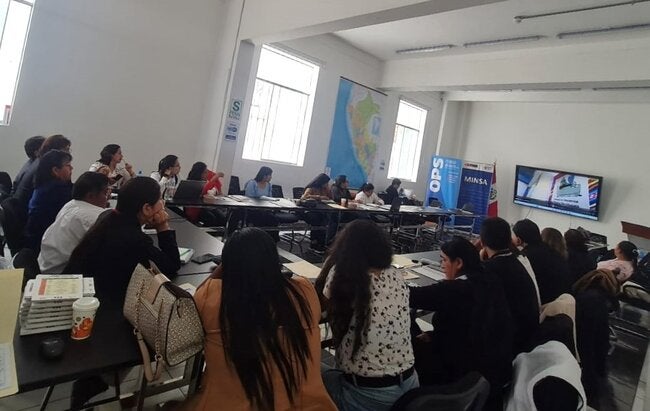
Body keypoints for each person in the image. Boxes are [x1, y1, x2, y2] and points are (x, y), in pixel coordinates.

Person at [188, 228, 336, 411]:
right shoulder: (303, 291)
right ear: (275, 260)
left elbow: (197, 296)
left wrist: (225, 265)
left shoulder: (212, 297)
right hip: (308, 405)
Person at [316, 220, 418, 411]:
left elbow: (317, 311)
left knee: (305, 372)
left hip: (366, 395)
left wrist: (330, 263)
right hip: (410, 386)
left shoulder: (341, 275)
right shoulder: (396, 275)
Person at [409, 237, 513, 408]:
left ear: (458, 263)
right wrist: (435, 335)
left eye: (444, 260)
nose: (441, 265)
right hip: (494, 372)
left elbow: (410, 296)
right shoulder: (490, 280)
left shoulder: (455, 290)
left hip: (459, 370)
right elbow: (470, 324)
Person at [64, 177, 180, 305]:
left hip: (81, 294)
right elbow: (171, 266)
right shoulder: (134, 238)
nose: (162, 203)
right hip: (102, 306)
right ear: (147, 208)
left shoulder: (108, 216)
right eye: (160, 199)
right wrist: (163, 227)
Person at [480, 217, 540, 356]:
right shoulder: (519, 261)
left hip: (508, 349)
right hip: (528, 340)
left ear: (482, 242)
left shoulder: (488, 270)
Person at [38, 172, 110, 273]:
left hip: (46, 265)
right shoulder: (94, 216)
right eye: (105, 193)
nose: (108, 198)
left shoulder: (70, 204)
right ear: (90, 196)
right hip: (62, 274)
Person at [24, 150, 74, 252]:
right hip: (44, 242)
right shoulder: (57, 189)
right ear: (55, 170)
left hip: (35, 237)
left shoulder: (45, 184)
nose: (72, 168)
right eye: (68, 165)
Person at [512, 219, 571, 305]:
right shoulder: (554, 252)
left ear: (518, 240)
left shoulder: (525, 258)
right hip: (563, 303)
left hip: (543, 305)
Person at [12, 134, 71, 207]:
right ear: (54, 151)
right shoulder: (45, 167)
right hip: (26, 210)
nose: (68, 153)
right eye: (66, 150)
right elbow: (58, 191)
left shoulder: (36, 162)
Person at [237, 166, 279, 241]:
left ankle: (272, 240)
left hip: (264, 209)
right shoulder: (252, 183)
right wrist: (260, 198)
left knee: (274, 219)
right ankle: (259, 239)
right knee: (261, 219)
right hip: (252, 210)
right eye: (270, 175)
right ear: (264, 175)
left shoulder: (269, 185)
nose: (271, 177)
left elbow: (270, 197)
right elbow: (249, 197)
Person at [185, 162, 226, 226]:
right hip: (195, 209)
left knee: (222, 217)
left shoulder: (204, 181)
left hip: (203, 207)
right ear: (199, 173)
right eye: (205, 172)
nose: (207, 174)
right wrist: (215, 178)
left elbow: (211, 190)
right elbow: (203, 191)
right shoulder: (192, 183)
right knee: (211, 218)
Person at [301, 173, 332, 251]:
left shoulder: (325, 189)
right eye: (326, 183)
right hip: (310, 211)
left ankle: (321, 242)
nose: (327, 184)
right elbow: (304, 197)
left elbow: (330, 198)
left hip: (321, 211)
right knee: (318, 220)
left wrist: (329, 190)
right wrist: (319, 197)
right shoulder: (311, 188)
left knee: (326, 219)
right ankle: (314, 242)